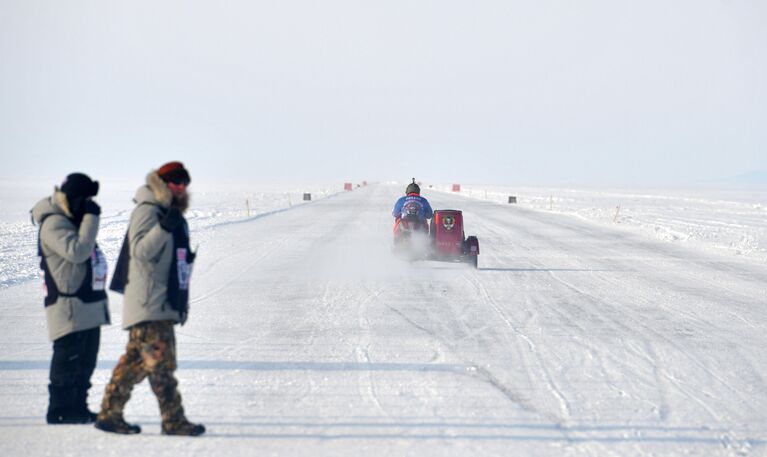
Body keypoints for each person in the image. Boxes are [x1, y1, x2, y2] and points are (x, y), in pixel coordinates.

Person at [94, 161, 204, 436]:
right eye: (175, 181)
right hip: (149, 302)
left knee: (134, 364)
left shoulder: (168, 212)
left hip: (159, 303)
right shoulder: (148, 210)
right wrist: (164, 228)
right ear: (161, 182)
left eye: (185, 182)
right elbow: (140, 251)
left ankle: (109, 414)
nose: (181, 187)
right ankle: (173, 421)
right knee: (161, 367)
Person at [31, 173, 109, 424]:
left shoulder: (69, 221)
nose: (87, 204)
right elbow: (78, 251)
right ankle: (60, 410)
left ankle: (78, 408)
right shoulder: (54, 223)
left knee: (85, 362)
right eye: (84, 199)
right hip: (68, 307)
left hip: (85, 304)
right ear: (74, 198)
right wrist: (91, 218)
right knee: (68, 360)